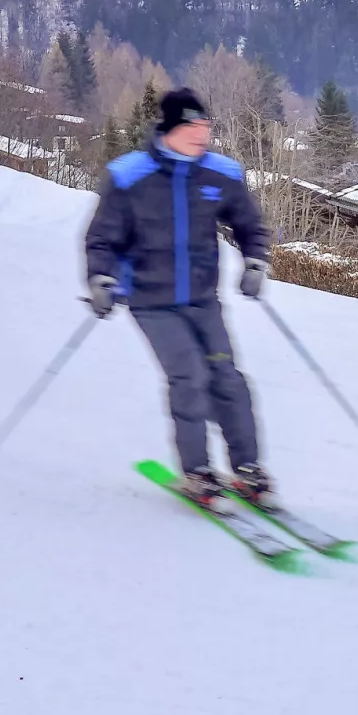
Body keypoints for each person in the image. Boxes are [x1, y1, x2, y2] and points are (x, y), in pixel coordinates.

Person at [84, 88, 274, 509]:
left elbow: (250, 225)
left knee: (228, 378)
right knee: (189, 376)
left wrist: (256, 262)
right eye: (192, 127)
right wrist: (100, 279)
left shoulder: (220, 174)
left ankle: (247, 469)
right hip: (151, 301)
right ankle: (197, 473)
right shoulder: (129, 176)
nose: (201, 135)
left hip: (203, 299)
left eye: (205, 126)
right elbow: (102, 238)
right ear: (168, 130)